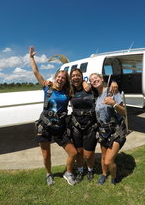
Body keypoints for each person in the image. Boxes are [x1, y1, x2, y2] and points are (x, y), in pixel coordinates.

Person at [29, 46, 77, 186]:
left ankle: (68, 173)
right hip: (44, 126)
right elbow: (35, 72)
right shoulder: (47, 87)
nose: (61, 79)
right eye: (59, 77)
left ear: (65, 81)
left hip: (60, 127)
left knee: (73, 153)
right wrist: (32, 58)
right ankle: (49, 174)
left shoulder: (68, 92)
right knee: (46, 155)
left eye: (63, 78)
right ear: (56, 77)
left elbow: (79, 82)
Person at [89, 73, 127, 185]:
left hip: (116, 130)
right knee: (104, 156)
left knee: (109, 160)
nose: (94, 80)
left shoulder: (112, 91)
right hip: (103, 131)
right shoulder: (96, 96)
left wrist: (113, 103)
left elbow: (124, 112)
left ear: (101, 79)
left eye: (96, 78)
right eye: (91, 80)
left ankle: (114, 177)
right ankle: (104, 174)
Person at [69, 68, 98, 183]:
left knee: (89, 154)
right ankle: (81, 170)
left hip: (90, 125)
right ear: (71, 78)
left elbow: (103, 87)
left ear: (82, 77)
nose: (75, 77)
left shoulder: (91, 89)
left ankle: (90, 170)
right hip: (76, 126)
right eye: (73, 76)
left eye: (78, 75)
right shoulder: (69, 91)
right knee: (79, 153)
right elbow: (57, 86)